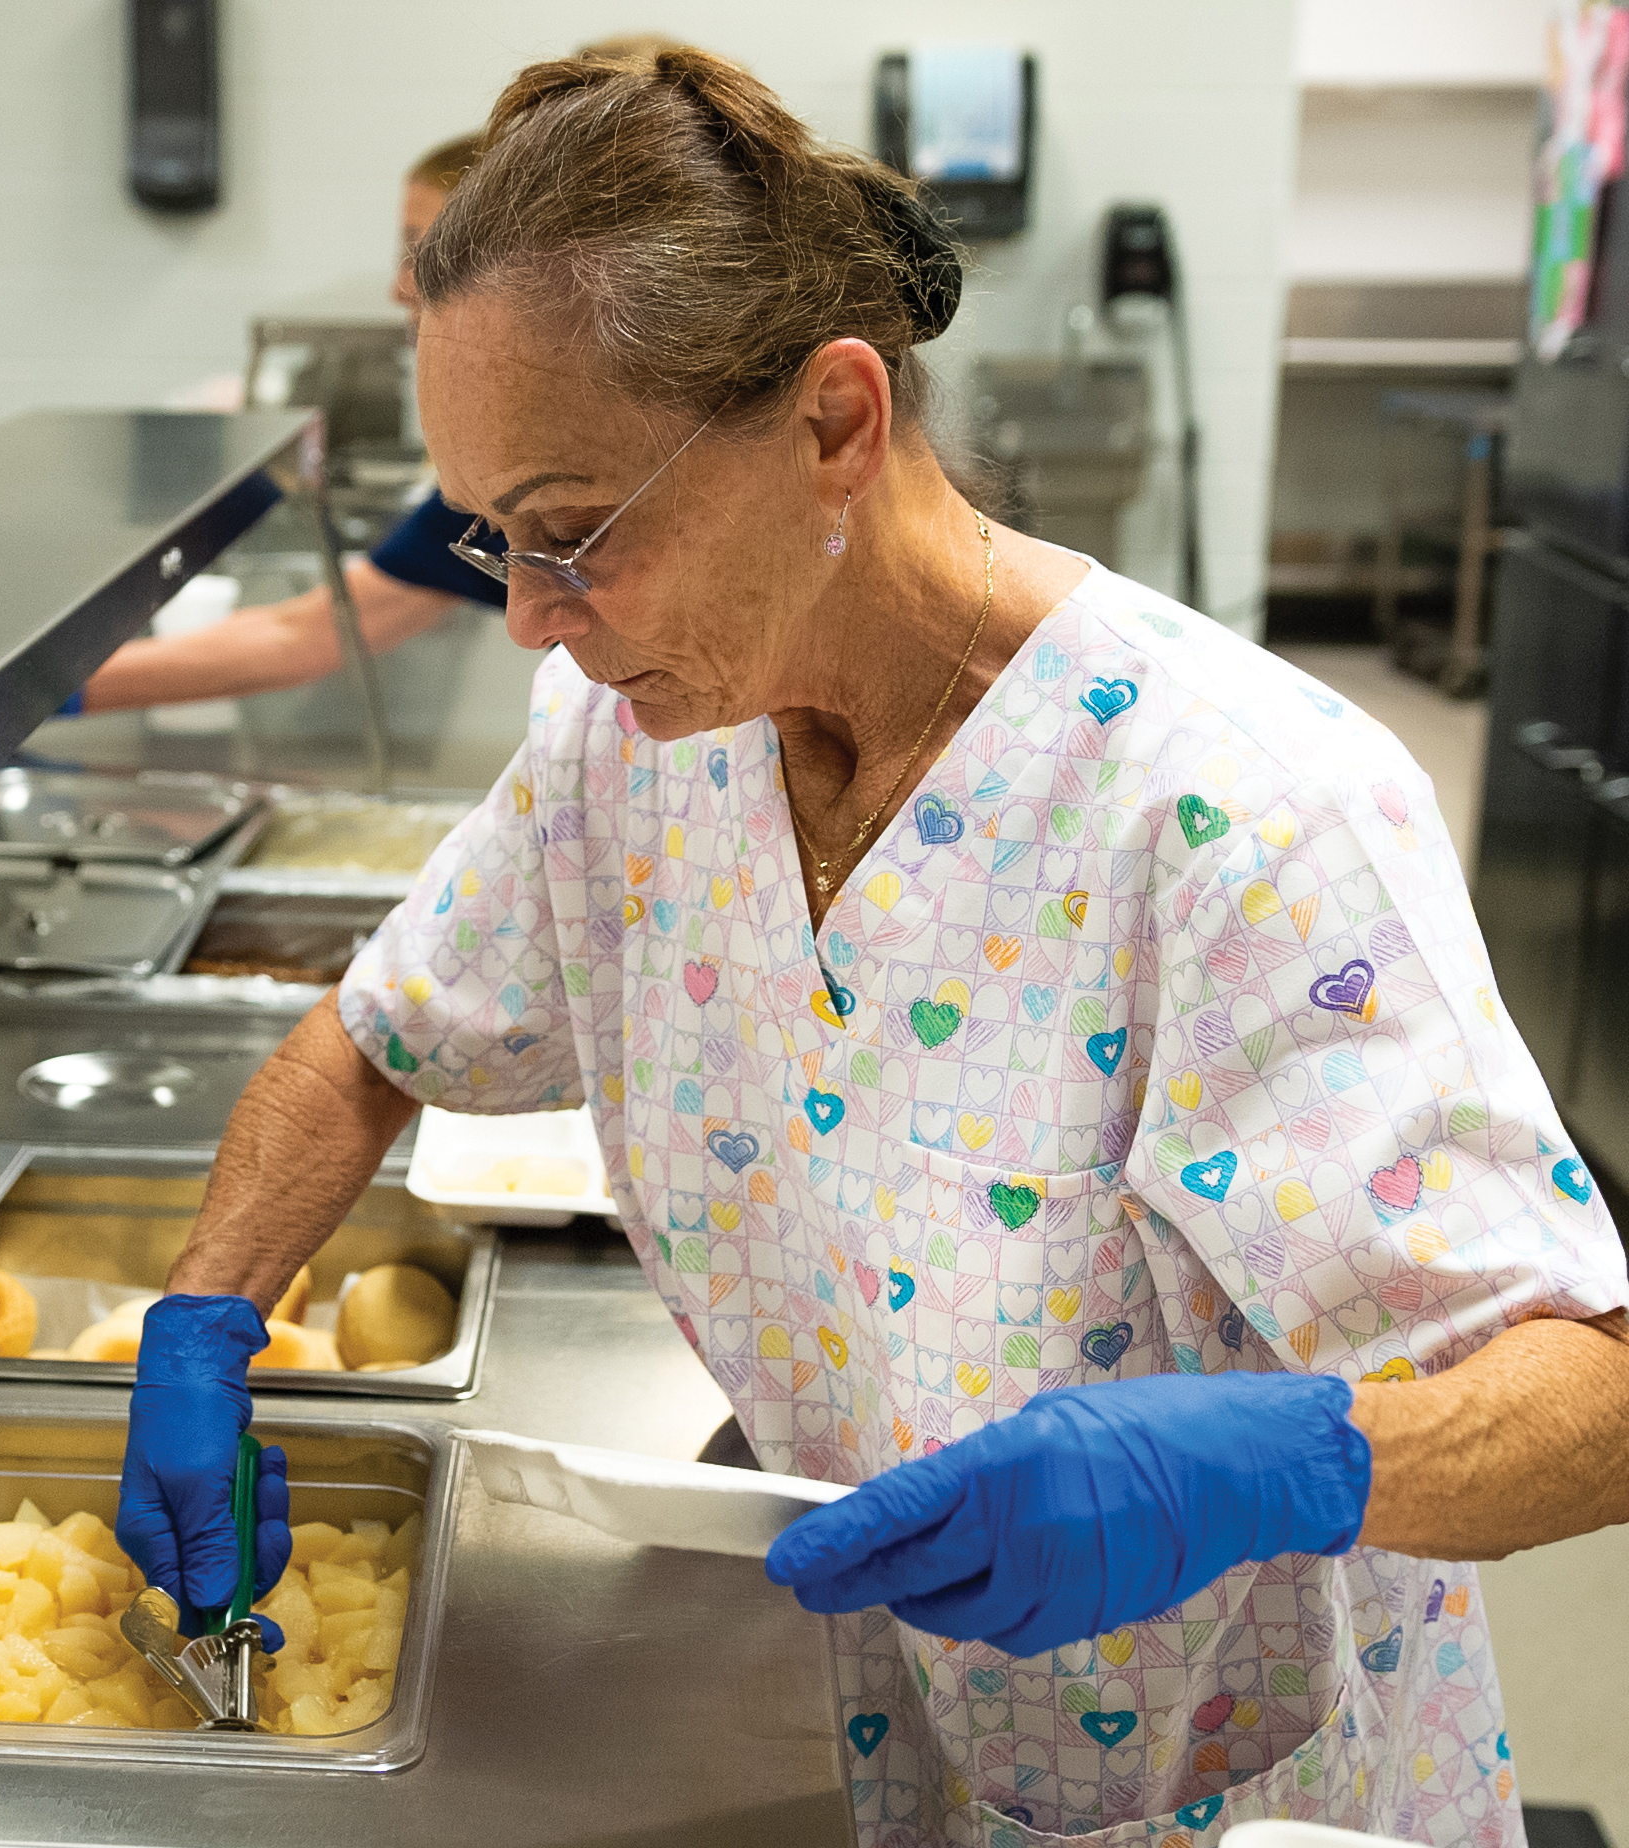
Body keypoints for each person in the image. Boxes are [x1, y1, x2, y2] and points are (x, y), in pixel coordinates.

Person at [112, 48, 1629, 1848]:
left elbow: (1586, 1395)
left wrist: (1277, 1464)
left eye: (574, 531)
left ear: (832, 423)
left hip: (1236, 1780)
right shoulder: (625, 744)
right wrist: (201, 1315)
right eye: (491, 537)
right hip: (872, 1716)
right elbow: (372, 1036)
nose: (528, 610)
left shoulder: (1232, 805)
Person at [74, 133, 504, 715]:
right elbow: (313, 627)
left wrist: (44, 696)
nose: (399, 286)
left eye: (416, 248)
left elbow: (308, 635)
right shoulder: (488, 465)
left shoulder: (517, 464)